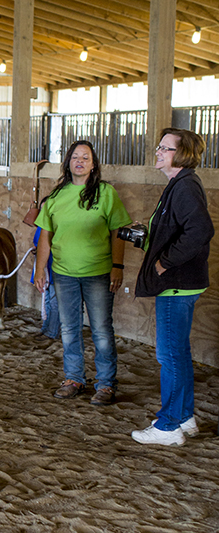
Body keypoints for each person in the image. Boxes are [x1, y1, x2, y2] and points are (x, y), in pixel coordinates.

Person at [131, 128, 214, 446]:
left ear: (181, 155)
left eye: (165, 148)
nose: (158, 152)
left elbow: (200, 230)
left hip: (177, 284)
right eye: (160, 147)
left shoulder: (184, 186)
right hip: (182, 284)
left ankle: (167, 427)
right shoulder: (180, 184)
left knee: (169, 355)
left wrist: (165, 262)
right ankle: (184, 417)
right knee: (178, 352)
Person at [34, 140, 132, 406]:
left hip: (98, 272)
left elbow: (118, 232)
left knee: (101, 328)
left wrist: (117, 266)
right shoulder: (55, 197)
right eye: (75, 157)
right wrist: (40, 269)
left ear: (93, 164)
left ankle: (106, 383)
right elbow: (46, 237)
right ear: (67, 162)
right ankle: (74, 377)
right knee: (69, 328)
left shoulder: (105, 193)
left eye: (85, 158)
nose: (79, 161)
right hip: (64, 273)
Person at [31, 197, 60, 340]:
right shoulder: (41, 227)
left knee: (54, 300)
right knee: (47, 298)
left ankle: (52, 331)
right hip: (44, 265)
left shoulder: (54, 226)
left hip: (54, 264)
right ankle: (45, 327)